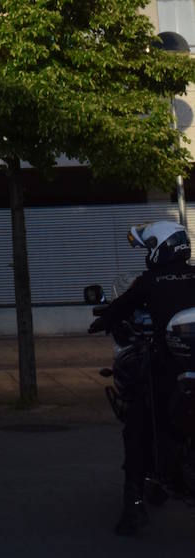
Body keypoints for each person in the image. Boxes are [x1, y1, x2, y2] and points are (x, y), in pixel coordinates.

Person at [88, 221, 195, 535]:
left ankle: (133, 503)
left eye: (149, 247)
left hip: (166, 368)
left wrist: (103, 321)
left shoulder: (151, 280)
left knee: (138, 423)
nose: (148, 253)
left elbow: (122, 307)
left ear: (161, 248)